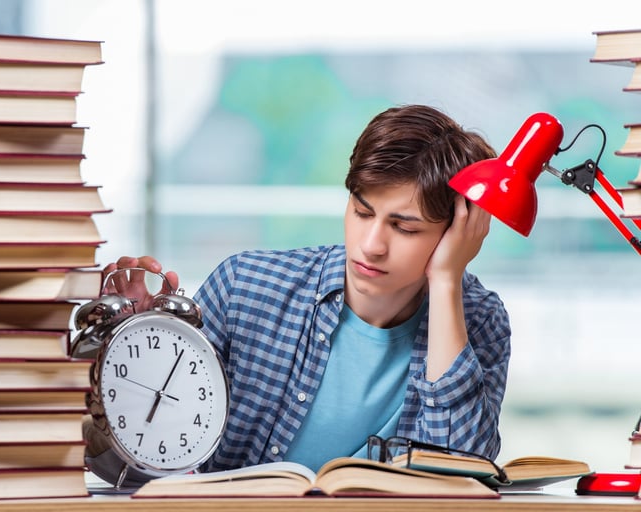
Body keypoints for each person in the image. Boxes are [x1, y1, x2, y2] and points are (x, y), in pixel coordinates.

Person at [104, 104, 511, 473]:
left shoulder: (479, 320)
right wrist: (131, 354)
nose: (371, 245)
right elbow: (136, 465)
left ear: (459, 231)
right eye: (361, 211)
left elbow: (461, 473)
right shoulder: (243, 289)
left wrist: (445, 281)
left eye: (404, 227)